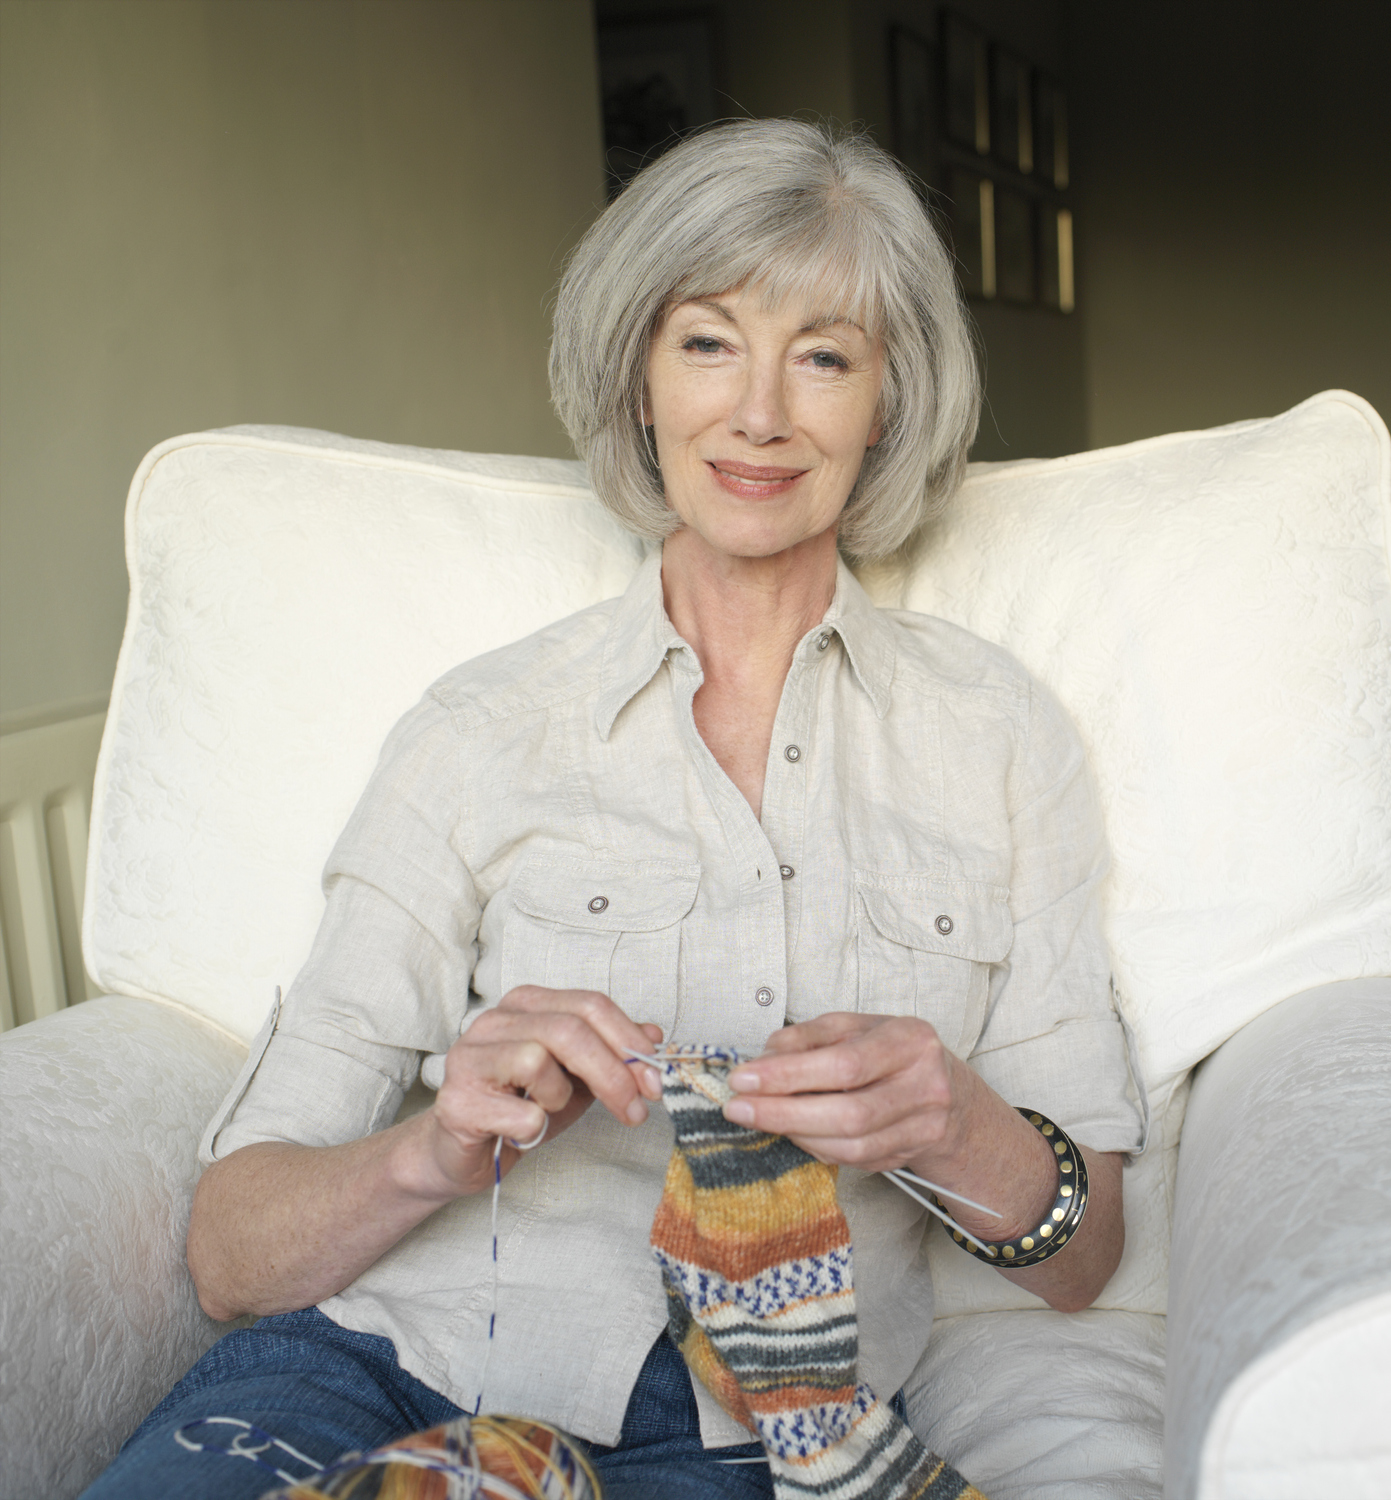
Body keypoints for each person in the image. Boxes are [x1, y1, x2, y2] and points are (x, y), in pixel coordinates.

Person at [83, 120, 1142, 1499]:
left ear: (889, 401)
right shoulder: (478, 729)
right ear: (639, 379)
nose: (758, 413)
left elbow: (1085, 1260)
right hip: (382, 1370)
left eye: (823, 357)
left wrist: (954, 1122)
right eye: (708, 343)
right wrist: (436, 1148)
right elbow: (231, 1256)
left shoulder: (999, 739)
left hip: (754, 1441)